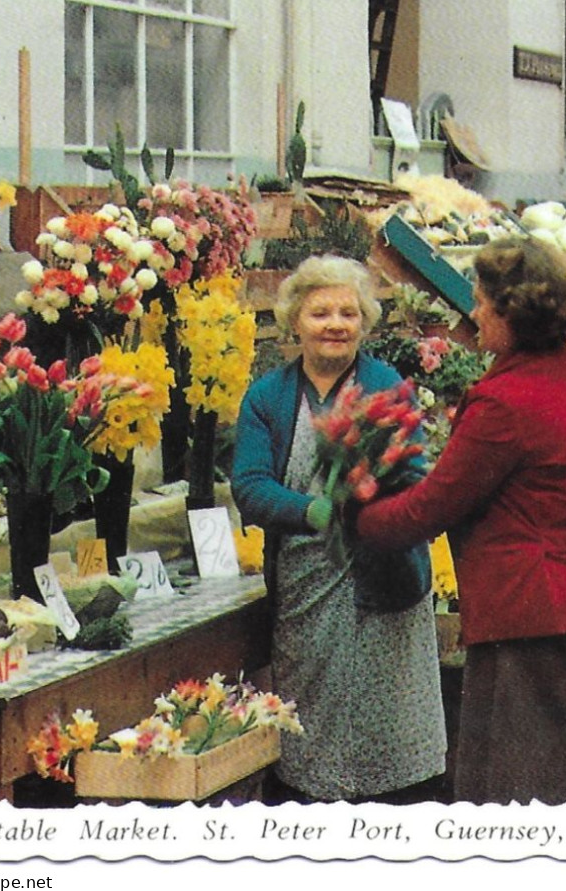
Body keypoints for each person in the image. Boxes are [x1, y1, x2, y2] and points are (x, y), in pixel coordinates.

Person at [355, 236, 566, 805]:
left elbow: (433, 507)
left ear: (515, 311)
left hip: (535, 623)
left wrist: (353, 515)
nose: (474, 311)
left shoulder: (504, 401)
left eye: (483, 301)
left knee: (526, 799)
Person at [231, 255, 446, 803]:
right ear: (295, 321)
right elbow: (250, 486)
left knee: (389, 716)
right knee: (315, 720)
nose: (335, 324)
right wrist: (312, 511)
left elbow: (415, 476)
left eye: (348, 313)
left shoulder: (387, 387)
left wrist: (373, 507)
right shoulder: (267, 397)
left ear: (364, 323)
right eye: (320, 312)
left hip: (385, 574)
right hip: (307, 584)